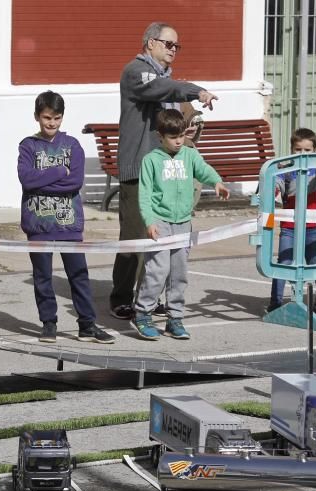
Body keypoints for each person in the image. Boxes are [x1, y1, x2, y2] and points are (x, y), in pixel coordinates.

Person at [109, 22, 219, 321]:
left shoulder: (166, 80)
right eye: (168, 43)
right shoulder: (137, 72)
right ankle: (121, 298)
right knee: (134, 237)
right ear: (150, 43)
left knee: (159, 241)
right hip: (137, 169)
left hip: (165, 172)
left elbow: (169, 118)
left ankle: (147, 297)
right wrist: (196, 91)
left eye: (176, 46)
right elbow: (160, 88)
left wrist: (188, 125)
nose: (173, 50)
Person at [18, 91, 114, 345]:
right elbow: (26, 180)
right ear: (37, 116)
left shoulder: (72, 146)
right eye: (46, 118)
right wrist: (60, 170)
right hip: (38, 224)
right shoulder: (27, 146)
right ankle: (48, 323)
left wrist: (43, 182)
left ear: (62, 117)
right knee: (43, 276)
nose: (51, 123)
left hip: (68, 224)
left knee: (79, 274)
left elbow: (74, 183)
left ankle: (87, 325)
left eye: (56, 118)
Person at [133, 109, 229, 340]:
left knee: (178, 273)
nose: (178, 141)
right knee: (157, 270)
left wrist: (217, 181)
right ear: (161, 136)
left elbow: (203, 169)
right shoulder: (151, 160)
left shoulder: (190, 155)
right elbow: (145, 194)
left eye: (181, 136)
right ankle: (143, 314)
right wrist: (149, 221)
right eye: (173, 137)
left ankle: (174, 319)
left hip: (183, 223)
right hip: (160, 222)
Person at [267, 127, 316, 313]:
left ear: (315, 150)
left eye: (307, 150)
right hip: (290, 227)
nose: (302, 154)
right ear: (291, 149)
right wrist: (271, 191)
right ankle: (275, 303)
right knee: (284, 263)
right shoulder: (286, 169)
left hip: (314, 226)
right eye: (298, 150)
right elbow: (276, 185)